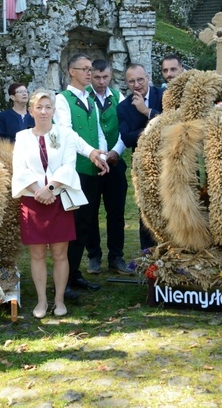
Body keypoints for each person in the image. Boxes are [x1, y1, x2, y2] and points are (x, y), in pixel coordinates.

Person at [12, 90, 85, 318]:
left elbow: (68, 165)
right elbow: (20, 168)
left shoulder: (64, 134)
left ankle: (59, 300)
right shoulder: (22, 137)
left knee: (60, 254)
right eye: (39, 107)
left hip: (58, 198)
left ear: (54, 110)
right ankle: (42, 301)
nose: (44, 111)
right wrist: (38, 191)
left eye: (48, 107)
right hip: (33, 201)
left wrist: (50, 188)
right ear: (31, 110)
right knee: (37, 254)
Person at [54, 54, 110, 299]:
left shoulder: (89, 98)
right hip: (73, 170)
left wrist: (103, 157)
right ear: (71, 71)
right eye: (85, 69)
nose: (90, 73)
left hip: (91, 169)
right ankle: (62, 280)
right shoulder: (61, 100)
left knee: (86, 224)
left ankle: (74, 273)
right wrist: (90, 152)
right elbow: (66, 134)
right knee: (71, 225)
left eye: (91, 69)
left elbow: (97, 131)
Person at [88, 59, 131, 275]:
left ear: (111, 75)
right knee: (90, 211)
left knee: (116, 212)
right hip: (91, 163)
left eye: (105, 77)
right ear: (90, 75)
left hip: (115, 163)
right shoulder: (83, 97)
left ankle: (116, 256)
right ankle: (94, 256)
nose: (101, 81)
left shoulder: (118, 97)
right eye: (97, 77)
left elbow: (125, 127)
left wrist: (116, 152)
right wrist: (96, 154)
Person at [117, 63, 163, 250]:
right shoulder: (123, 107)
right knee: (146, 212)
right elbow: (127, 139)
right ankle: (149, 258)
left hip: (169, 161)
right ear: (127, 84)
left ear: (148, 77)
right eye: (131, 81)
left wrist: (146, 111)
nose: (136, 84)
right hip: (143, 166)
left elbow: (173, 124)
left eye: (140, 79)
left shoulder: (163, 96)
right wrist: (154, 127)